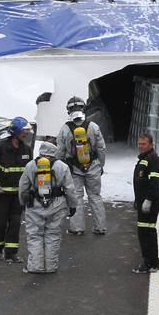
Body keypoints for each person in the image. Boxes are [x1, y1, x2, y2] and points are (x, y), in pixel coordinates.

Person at [18, 140, 76, 274]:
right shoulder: (62, 167)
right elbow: (70, 189)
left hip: (34, 206)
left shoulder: (31, 166)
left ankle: (36, 266)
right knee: (53, 235)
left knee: (35, 235)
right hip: (56, 205)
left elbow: (22, 187)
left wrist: (22, 203)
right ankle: (51, 266)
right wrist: (72, 205)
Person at [0, 116, 34, 263]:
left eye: (27, 130)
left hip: (17, 196)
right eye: (24, 130)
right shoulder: (1, 148)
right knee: (0, 224)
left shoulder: (27, 150)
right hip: (2, 195)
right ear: (16, 131)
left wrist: (30, 190)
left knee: (15, 223)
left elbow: (30, 172)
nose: (26, 133)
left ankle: (11, 253)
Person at [57, 96, 107, 235]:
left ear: (68, 110)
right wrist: (100, 165)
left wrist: (60, 171)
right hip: (93, 166)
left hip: (74, 169)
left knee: (76, 198)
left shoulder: (64, 130)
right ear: (83, 108)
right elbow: (101, 148)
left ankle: (77, 228)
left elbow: (60, 152)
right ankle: (100, 227)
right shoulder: (93, 126)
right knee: (95, 196)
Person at [132, 132, 159, 274]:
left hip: (149, 202)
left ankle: (150, 263)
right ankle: (152, 263)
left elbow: (155, 182)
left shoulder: (153, 159)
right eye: (139, 144)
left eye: (144, 144)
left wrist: (148, 200)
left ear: (151, 144)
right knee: (145, 232)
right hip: (143, 200)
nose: (141, 146)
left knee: (146, 233)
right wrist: (137, 199)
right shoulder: (145, 158)